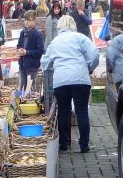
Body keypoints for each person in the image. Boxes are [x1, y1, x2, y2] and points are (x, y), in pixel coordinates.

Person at [41, 15, 99, 153]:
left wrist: (52, 66)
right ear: (73, 25)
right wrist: (90, 67)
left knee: (63, 111)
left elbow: (45, 63)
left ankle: (63, 144)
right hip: (80, 78)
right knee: (82, 111)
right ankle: (84, 145)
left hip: (61, 81)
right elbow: (95, 54)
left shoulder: (55, 42)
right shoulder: (80, 38)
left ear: (59, 26)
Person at [43, 0, 65, 107]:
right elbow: (49, 34)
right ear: (52, 8)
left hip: (59, 45)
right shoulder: (50, 18)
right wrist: (52, 46)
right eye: (55, 8)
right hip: (51, 46)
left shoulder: (61, 17)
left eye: (58, 8)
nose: (56, 10)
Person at [16, 10, 44, 94]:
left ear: (34, 21)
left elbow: (40, 51)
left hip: (32, 66)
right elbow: (19, 44)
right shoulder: (22, 32)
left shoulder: (37, 34)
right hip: (22, 64)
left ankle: (30, 105)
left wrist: (27, 52)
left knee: (31, 89)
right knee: (21, 87)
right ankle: (20, 103)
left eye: (28, 20)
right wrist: (19, 49)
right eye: (25, 20)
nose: (26, 22)